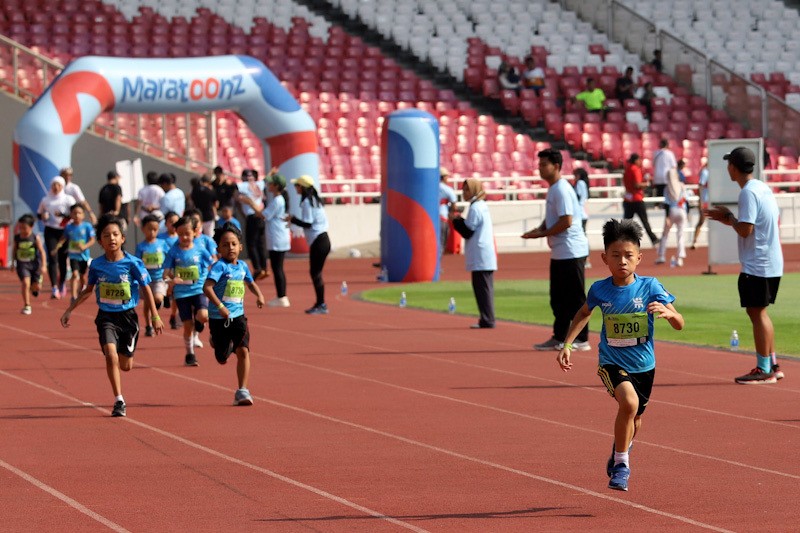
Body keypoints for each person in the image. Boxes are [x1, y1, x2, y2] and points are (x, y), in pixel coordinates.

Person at [556, 218, 684, 492]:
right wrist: (567, 344)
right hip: (611, 362)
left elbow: (680, 322)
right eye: (616, 256)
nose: (622, 261)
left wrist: (669, 314)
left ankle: (618, 448)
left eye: (628, 255)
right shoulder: (600, 289)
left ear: (639, 257)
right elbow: (582, 313)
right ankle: (622, 465)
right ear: (604, 258)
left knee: (635, 418)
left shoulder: (650, 286)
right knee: (628, 402)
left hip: (645, 365)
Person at [60, 214, 163, 417]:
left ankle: (127, 354)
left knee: (125, 365)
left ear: (123, 238)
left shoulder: (133, 263)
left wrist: (155, 316)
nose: (112, 239)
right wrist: (69, 310)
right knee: (110, 354)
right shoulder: (96, 265)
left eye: (115, 234)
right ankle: (119, 400)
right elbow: (88, 290)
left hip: (128, 318)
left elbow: (147, 289)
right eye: (106, 235)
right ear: (100, 241)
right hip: (106, 316)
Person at [704, 147, 785, 383]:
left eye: (729, 164)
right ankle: (772, 364)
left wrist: (728, 218)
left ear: (733, 167)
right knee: (760, 312)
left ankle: (763, 368)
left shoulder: (748, 192)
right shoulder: (762, 187)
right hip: (770, 260)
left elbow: (745, 229)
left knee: (757, 313)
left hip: (758, 263)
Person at [522, 148, 591, 351]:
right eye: (539, 165)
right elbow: (555, 216)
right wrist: (540, 228)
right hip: (561, 251)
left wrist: (541, 234)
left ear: (557, 166)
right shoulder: (554, 189)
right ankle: (559, 335)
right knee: (558, 297)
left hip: (571, 250)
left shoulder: (561, 189)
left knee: (575, 297)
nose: (540, 169)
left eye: (544, 165)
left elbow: (566, 221)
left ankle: (581, 339)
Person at [203, 223, 265, 406]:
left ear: (240, 247)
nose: (230, 248)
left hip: (238, 317)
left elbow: (250, 283)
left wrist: (259, 295)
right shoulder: (219, 267)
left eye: (233, 244)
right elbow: (206, 287)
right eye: (225, 245)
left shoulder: (243, 266)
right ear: (219, 249)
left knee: (243, 351)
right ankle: (216, 342)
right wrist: (220, 306)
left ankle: (242, 390)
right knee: (222, 358)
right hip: (218, 318)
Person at [163, 215, 214, 367]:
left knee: (203, 316)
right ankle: (190, 354)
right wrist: (172, 279)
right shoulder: (173, 252)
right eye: (180, 234)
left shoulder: (200, 249)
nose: (184, 237)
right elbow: (165, 274)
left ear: (195, 232)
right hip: (181, 293)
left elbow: (211, 265)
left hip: (198, 289)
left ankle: (200, 323)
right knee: (187, 325)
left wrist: (211, 280)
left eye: (187, 233)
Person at [451, 178, 497, 329]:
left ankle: (487, 319)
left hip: (481, 253)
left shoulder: (476, 207)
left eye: (467, 189)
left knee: (482, 288)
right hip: (482, 253)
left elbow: (468, 231)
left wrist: (456, 221)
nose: (464, 193)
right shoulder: (479, 206)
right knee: (483, 287)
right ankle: (486, 318)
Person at [287, 175, 331, 315]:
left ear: (302, 187)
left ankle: (321, 304)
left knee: (315, 273)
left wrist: (292, 219)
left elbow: (308, 223)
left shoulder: (307, 201)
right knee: (316, 273)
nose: (295, 188)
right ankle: (320, 303)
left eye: (297, 186)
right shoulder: (315, 200)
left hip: (318, 240)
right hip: (323, 239)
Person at [37, 176, 76, 299]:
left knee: (62, 259)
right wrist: (43, 216)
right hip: (51, 231)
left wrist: (63, 215)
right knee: (52, 258)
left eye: (58, 185)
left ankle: (61, 283)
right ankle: (54, 287)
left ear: (62, 186)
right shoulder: (45, 200)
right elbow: (39, 214)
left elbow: (75, 214)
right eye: (54, 184)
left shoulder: (68, 199)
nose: (55, 187)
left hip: (65, 231)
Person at [135, 214, 171, 336]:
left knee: (157, 299)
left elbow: (169, 258)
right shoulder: (141, 246)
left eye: (155, 229)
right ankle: (148, 325)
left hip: (159, 278)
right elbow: (138, 263)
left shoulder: (162, 244)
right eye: (149, 229)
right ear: (143, 229)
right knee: (146, 305)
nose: (152, 232)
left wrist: (169, 271)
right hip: (146, 280)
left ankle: (159, 305)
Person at [54, 204, 96, 302]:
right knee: (75, 274)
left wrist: (85, 246)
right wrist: (57, 246)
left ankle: (83, 286)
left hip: (84, 256)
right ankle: (73, 296)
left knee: (82, 276)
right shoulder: (69, 227)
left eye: (79, 213)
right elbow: (64, 238)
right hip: (73, 255)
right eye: (74, 213)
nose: (77, 215)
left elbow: (92, 240)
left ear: (83, 215)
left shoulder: (87, 226)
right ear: (71, 215)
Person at [263, 170, 291, 307]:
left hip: (277, 238)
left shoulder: (277, 200)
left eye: (271, 183)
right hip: (278, 237)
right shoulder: (278, 199)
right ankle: (281, 295)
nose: (268, 185)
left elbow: (264, 215)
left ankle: (282, 296)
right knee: (278, 267)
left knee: (277, 268)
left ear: (276, 186)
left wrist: (249, 202)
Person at [237, 169, 269, 280]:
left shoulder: (244, 186)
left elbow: (236, 191)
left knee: (251, 244)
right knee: (261, 243)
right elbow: (266, 179)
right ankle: (264, 268)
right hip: (260, 216)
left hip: (252, 217)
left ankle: (257, 268)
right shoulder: (259, 184)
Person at [655, 162, 688, 266]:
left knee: (665, 234)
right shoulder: (682, 185)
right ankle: (680, 258)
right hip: (682, 211)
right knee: (680, 235)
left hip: (672, 210)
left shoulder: (667, 188)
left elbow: (667, 203)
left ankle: (661, 256)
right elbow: (686, 201)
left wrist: (667, 217)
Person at [622, 154, 660, 246]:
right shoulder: (635, 169)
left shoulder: (627, 169)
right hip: (637, 199)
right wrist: (646, 184)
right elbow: (637, 184)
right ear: (636, 160)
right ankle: (654, 239)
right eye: (639, 160)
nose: (641, 162)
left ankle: (622, 240)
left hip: (628, 200)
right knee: (644, 221)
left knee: (626, 223)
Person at [13, 213, 46, 315]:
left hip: (34, 264)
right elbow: (14, 250)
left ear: (31, 227)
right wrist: (12, 262)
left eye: (25, 228)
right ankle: (27, 305)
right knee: (25, 283)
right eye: (20, 228)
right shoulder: (17, 238)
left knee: (36, 287)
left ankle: (35, 285)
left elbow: (42, 252)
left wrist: (44, 265)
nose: (22, 230)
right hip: (22, 264)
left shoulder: (35, 237)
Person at [158, 211, 181, 330]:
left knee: (177, 296)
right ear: (166, 224)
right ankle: (167, 294)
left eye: (176, 222)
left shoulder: (182, 237)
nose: (174, 224)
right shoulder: (160, 238)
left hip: (177, 269)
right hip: (165, 269)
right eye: (171, 222)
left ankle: (173, 315)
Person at [438, 167, 457, 269]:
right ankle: (436, 265)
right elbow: (454, 206)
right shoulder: (447, 189)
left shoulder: (430, 187)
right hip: (442, 217)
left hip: (430, 218)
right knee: (441, 242)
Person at [573, 168, 592, 268]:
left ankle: (586, 259)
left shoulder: (580, 183)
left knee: (581, 237)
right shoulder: (583, 184)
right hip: (582, 214)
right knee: (582, 237)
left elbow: (577, 197)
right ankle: (585, 259)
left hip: (580, 215)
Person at [691, 157, 709, 250]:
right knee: (701, 221)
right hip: (705, 200)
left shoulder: (712, 172)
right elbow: (700, 186)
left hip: (711, 201)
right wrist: (700, 201)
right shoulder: (705, 172)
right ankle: (694, 240)